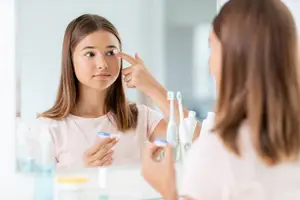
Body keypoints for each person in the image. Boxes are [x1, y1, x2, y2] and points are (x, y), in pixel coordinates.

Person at [142, 0, 300, 199]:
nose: (209, 62)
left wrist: (167, 189)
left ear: (234, 59)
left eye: (213, 48)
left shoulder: (218, 152)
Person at [29, 14, 200, 169]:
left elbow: (197, 139)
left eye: (110, 52)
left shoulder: (141, 117)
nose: (102, 63)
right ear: (70, 61)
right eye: (90, 54)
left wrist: (152, 87)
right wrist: (81, 170)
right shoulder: (47, 128)